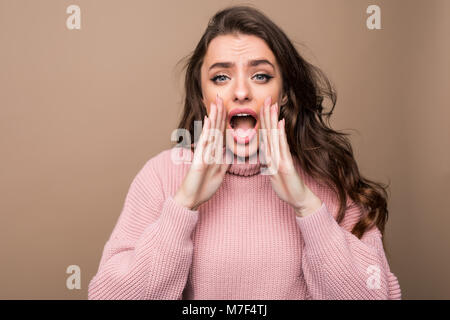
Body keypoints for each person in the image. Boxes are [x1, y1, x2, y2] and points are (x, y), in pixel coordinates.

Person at [88, 5, 402, 300]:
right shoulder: (161, 175)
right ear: (203, 94)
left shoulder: (327, 176)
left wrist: (307, 206)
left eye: (261, 75)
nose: (240, 92)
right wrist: (183, 204)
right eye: (221, 77)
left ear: (284, 95)